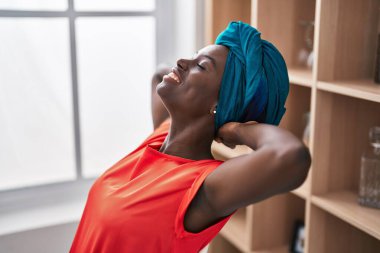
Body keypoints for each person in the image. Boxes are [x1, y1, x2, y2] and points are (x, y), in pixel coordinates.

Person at [70, 21, 311, 253]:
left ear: (220, 103)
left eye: (201, 65)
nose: (182, 61)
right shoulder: (160, 137)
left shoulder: (202, 187)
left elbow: (291, 156)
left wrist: (235, 129)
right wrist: (195, 65)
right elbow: (159, 75)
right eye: (193, 55)